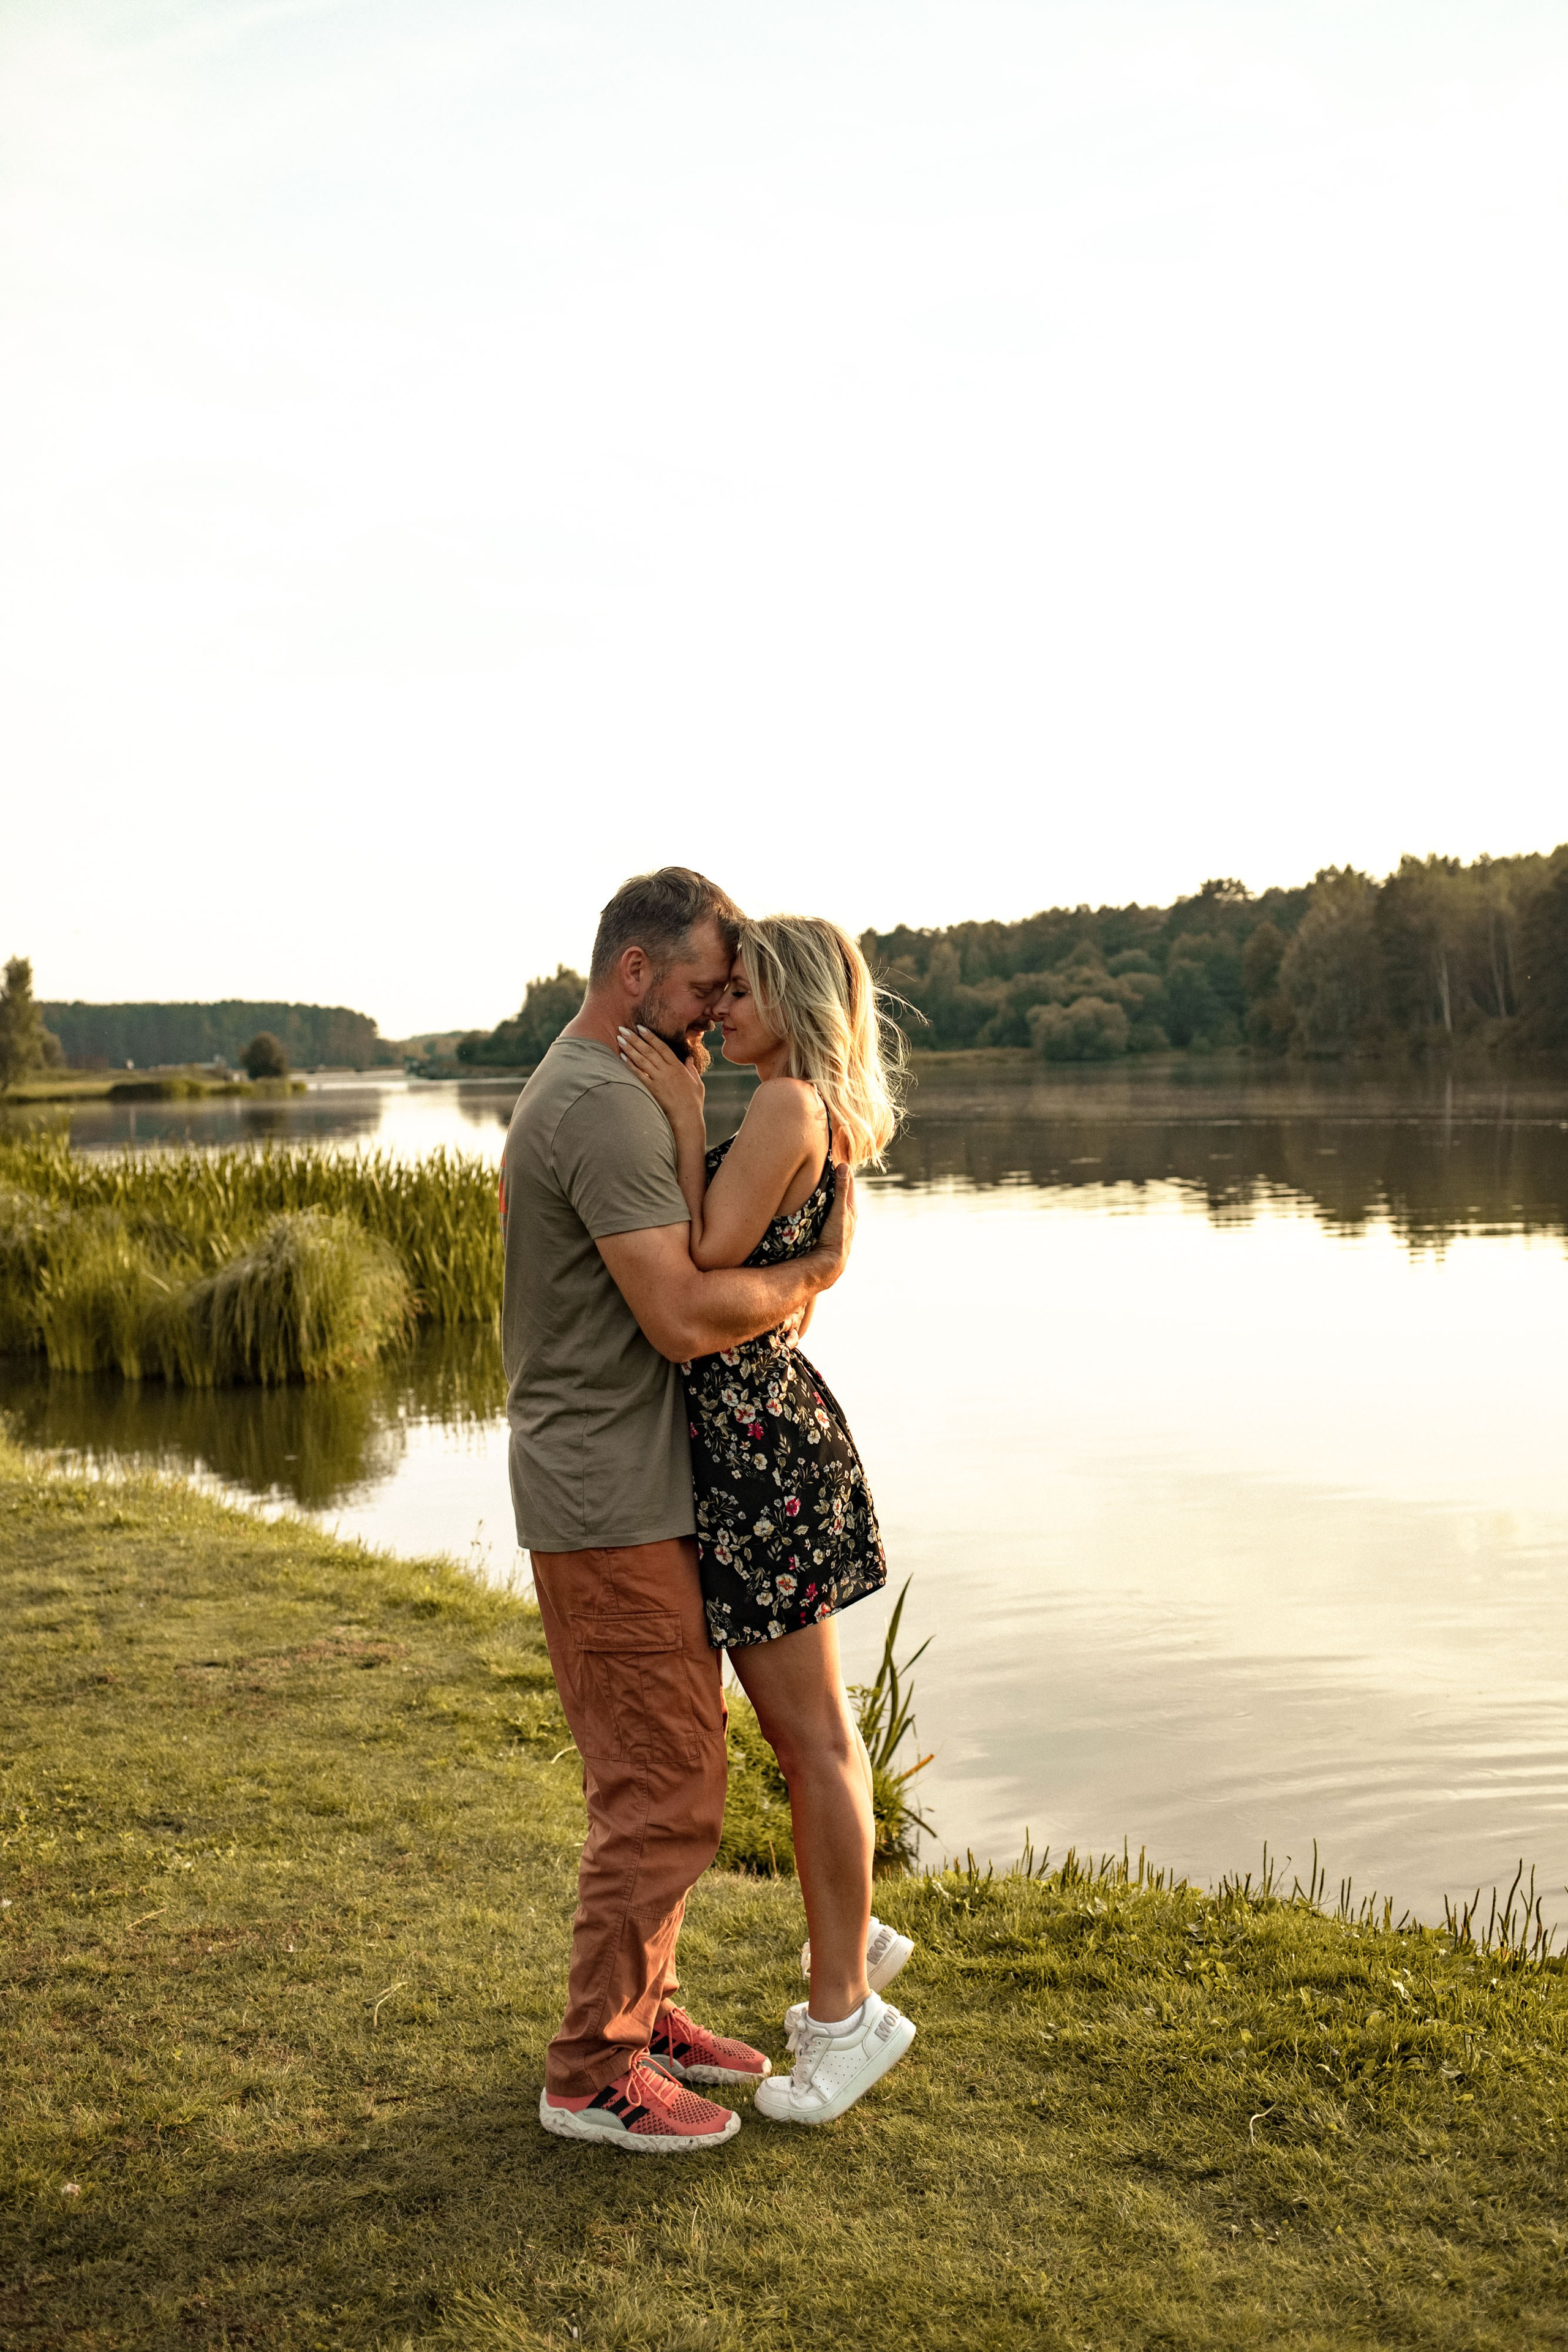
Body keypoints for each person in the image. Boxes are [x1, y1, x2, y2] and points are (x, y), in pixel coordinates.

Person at [502, 868, 859, 2155]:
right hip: (607, 1489)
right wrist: (808, 1275)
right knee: (663, 1787)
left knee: (664, 1769)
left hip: (635, 1478)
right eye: (707, 983)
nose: (717, 1011)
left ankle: (644, 2015)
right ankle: (592, 2071)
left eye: (733, 990)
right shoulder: (602, 1101)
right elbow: (679, 1310)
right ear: (636, 973)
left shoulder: (617, 1081)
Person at [615, 913, 918, 2127]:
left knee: (813, 1743)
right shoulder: (811, 1109)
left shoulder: (788, 1107)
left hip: (757, 1453)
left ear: (790, 997)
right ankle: (852, 1939)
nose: (716, 1010)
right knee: (813, 1742)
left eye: (736, 992)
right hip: (759, 1440)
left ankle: (843, 2017)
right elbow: (764, 1265)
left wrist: (686, 1126)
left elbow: (693, 1256)